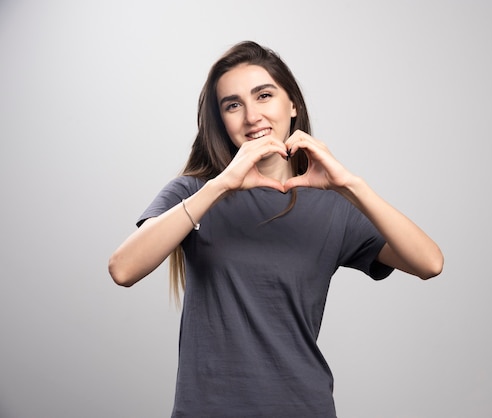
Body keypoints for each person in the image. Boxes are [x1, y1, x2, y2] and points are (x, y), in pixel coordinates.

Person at [108, 40, 443, 418]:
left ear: (292, 104)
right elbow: (123, 269)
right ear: (221, 120)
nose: (252, 116)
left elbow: (429, 262)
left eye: (264, 95)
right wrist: (221, 185)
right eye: (233, 105)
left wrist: (349, 184)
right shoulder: (194, 193)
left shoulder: (334, 206)